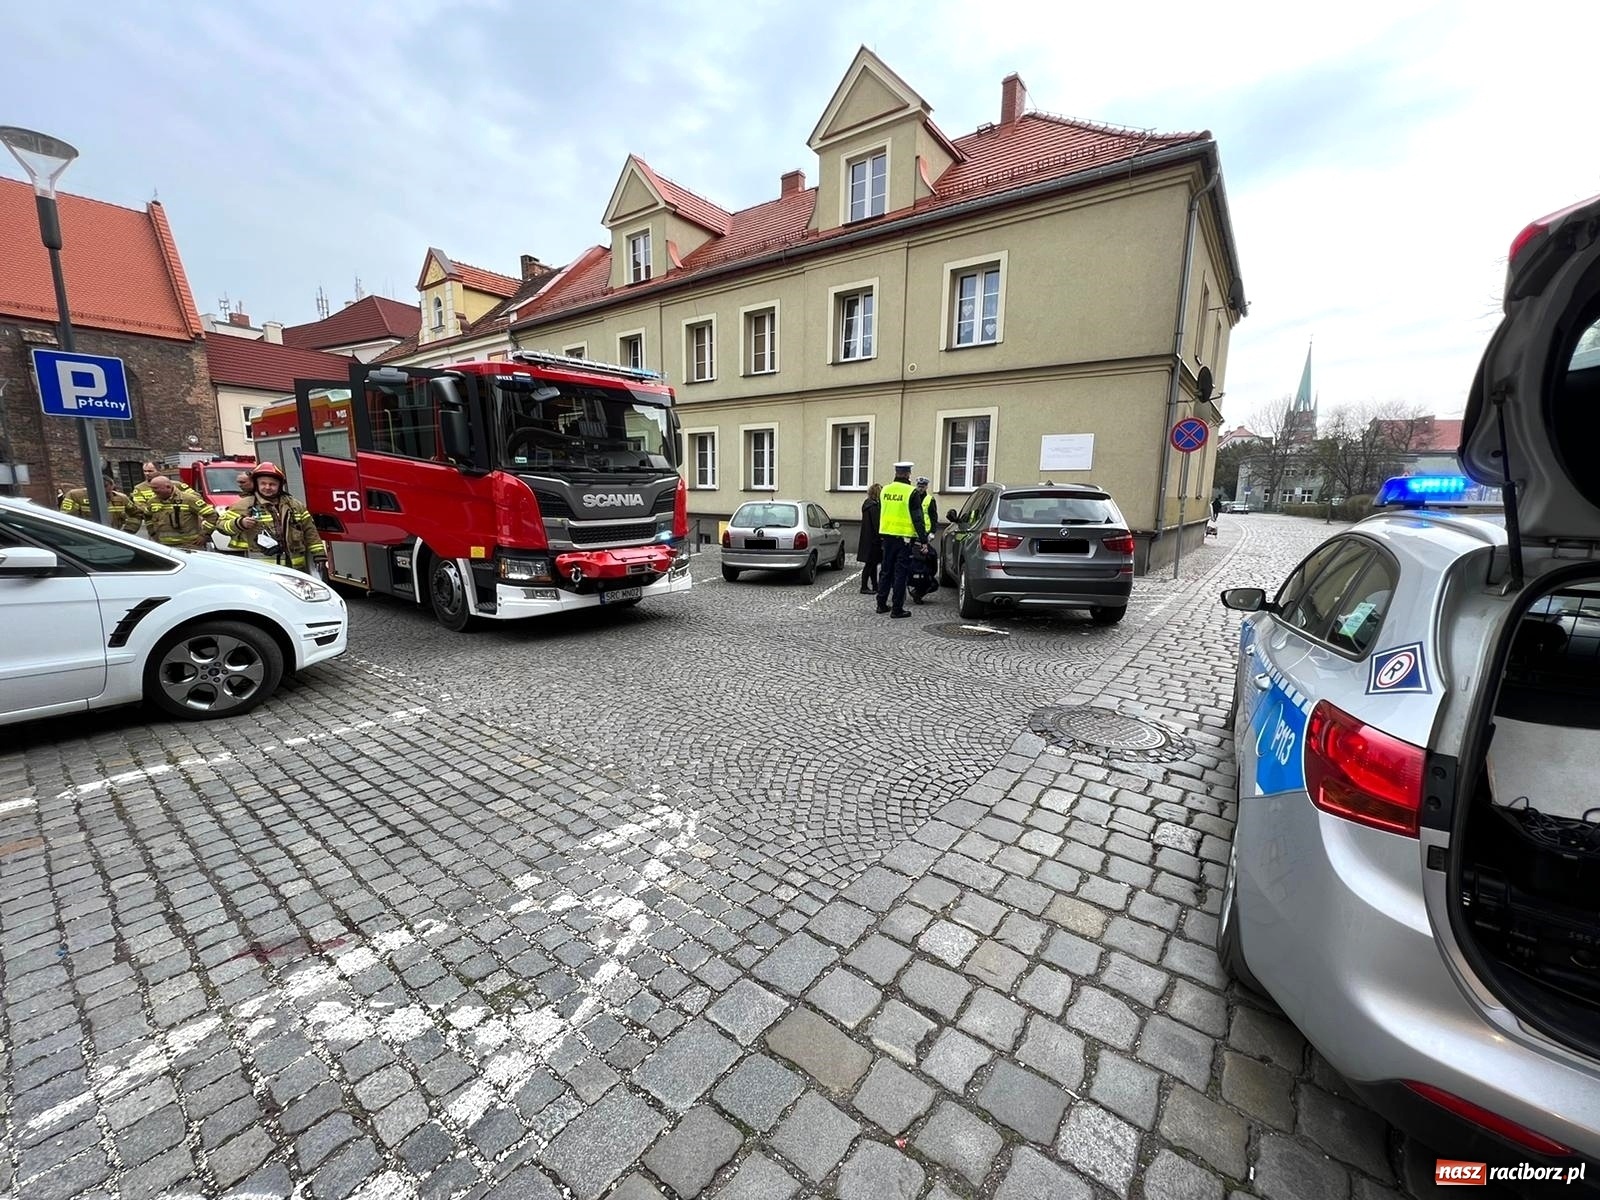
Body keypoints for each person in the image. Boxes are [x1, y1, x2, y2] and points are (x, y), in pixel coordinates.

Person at [218, 462, 327, 576]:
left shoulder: (295, 505)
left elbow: (310, 531)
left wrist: (319, 555)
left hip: (295, 569)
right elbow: (221, 525)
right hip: (261, 570)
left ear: (280, 485)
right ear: (256, 484)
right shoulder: (244, 505)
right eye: (263, 483)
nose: (267, 487)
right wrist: (240, 523)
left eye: (272, 484)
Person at [122, 475, 217, 550]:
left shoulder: (189, 499)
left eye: (155, 488)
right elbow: (147, 516)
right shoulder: (152, 502)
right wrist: (153, 533)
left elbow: (212, 515)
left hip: (190, 546)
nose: (153, 491)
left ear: (168, 487)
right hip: (164, 547)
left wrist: (204, 535)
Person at [876, 461, 920, 618]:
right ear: (908, 474)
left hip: (887, 536)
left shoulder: (884, 490)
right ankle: (897, 609)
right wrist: (924, 539)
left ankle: (881, 604)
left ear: (896, 473)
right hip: (904, 538)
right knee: (900, 573)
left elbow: (881, 512)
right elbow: (917, 518)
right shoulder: (911, 492)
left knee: (886, 571)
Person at [60, 470, 130, 529]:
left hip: (113, 535)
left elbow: (136, 514)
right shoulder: (75, 495)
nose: (110, 494)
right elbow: (66, 518)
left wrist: (128, 530)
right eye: (105, 491)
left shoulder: (121, 498)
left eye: (111, 490)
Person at [857, 483, 882, 593]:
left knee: (872, 563)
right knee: (870, 564)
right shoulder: (874, 507)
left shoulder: (867, 505)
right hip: (873, 539)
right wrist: (881, 537)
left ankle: (874, 586)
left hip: (867, 538)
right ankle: (864, 587)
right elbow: (876, 524)